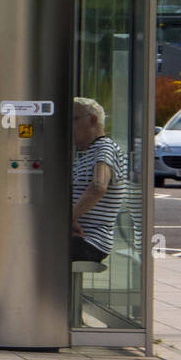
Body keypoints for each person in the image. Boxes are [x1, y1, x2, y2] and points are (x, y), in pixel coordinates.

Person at [71, 97, 124, 263]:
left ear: (93, 119)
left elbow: (98, 187)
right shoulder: (85, 154)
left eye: (73, 119)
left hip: (91, 241)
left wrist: (68, 219)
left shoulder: (104, 148)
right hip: (78, 237)